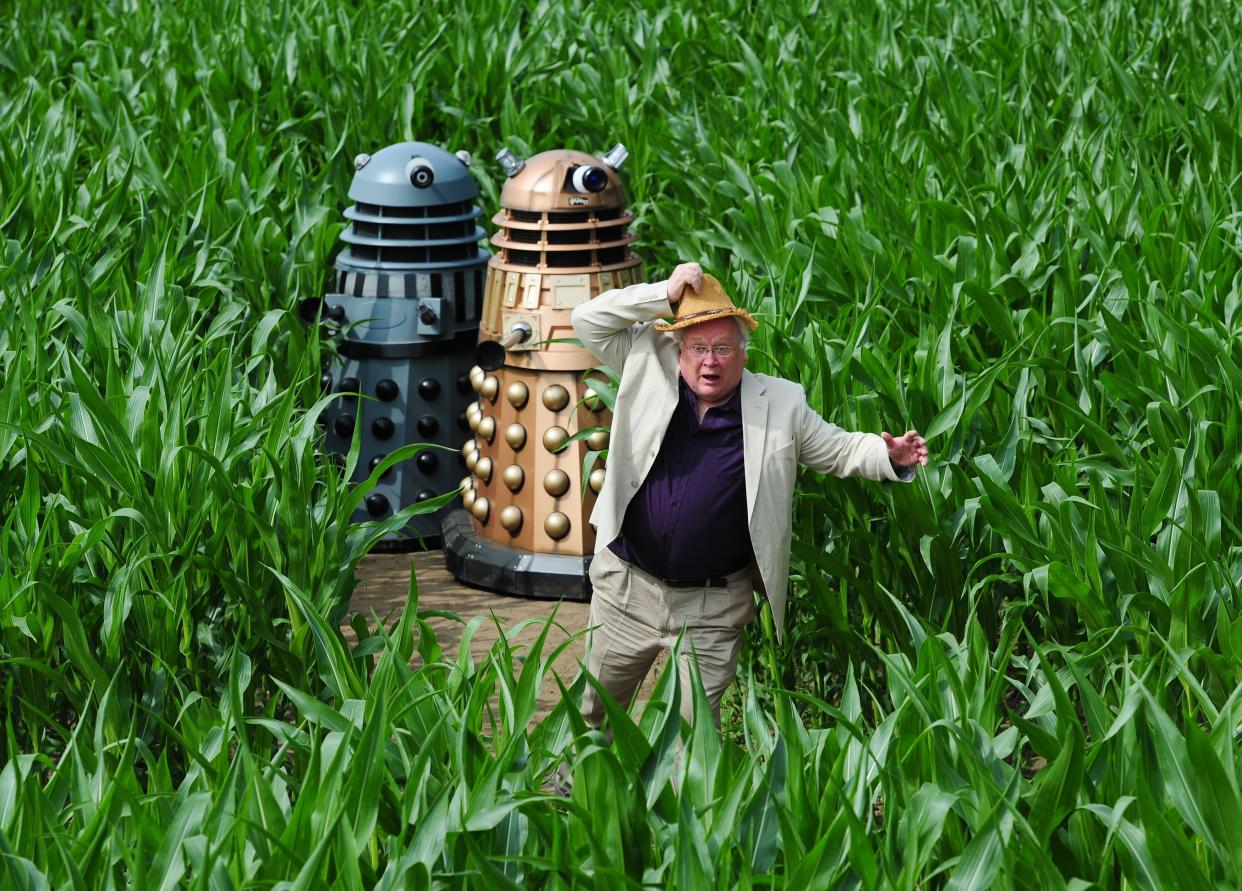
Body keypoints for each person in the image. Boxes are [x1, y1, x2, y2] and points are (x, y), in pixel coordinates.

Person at [569, 262, 929, 729]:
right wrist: (665, 293)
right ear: (679, 350)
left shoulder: (781, 404)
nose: (709, 362)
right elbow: (586, 320)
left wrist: (890, 457)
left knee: (694, 739)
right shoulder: (646, 360)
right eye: (697, 348)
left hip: (711, 608)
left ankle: (684, 804)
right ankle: (570, 793)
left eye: (722, 348)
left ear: (742, 353)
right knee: (591, 717)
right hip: (627, 590)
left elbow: (838, 449)